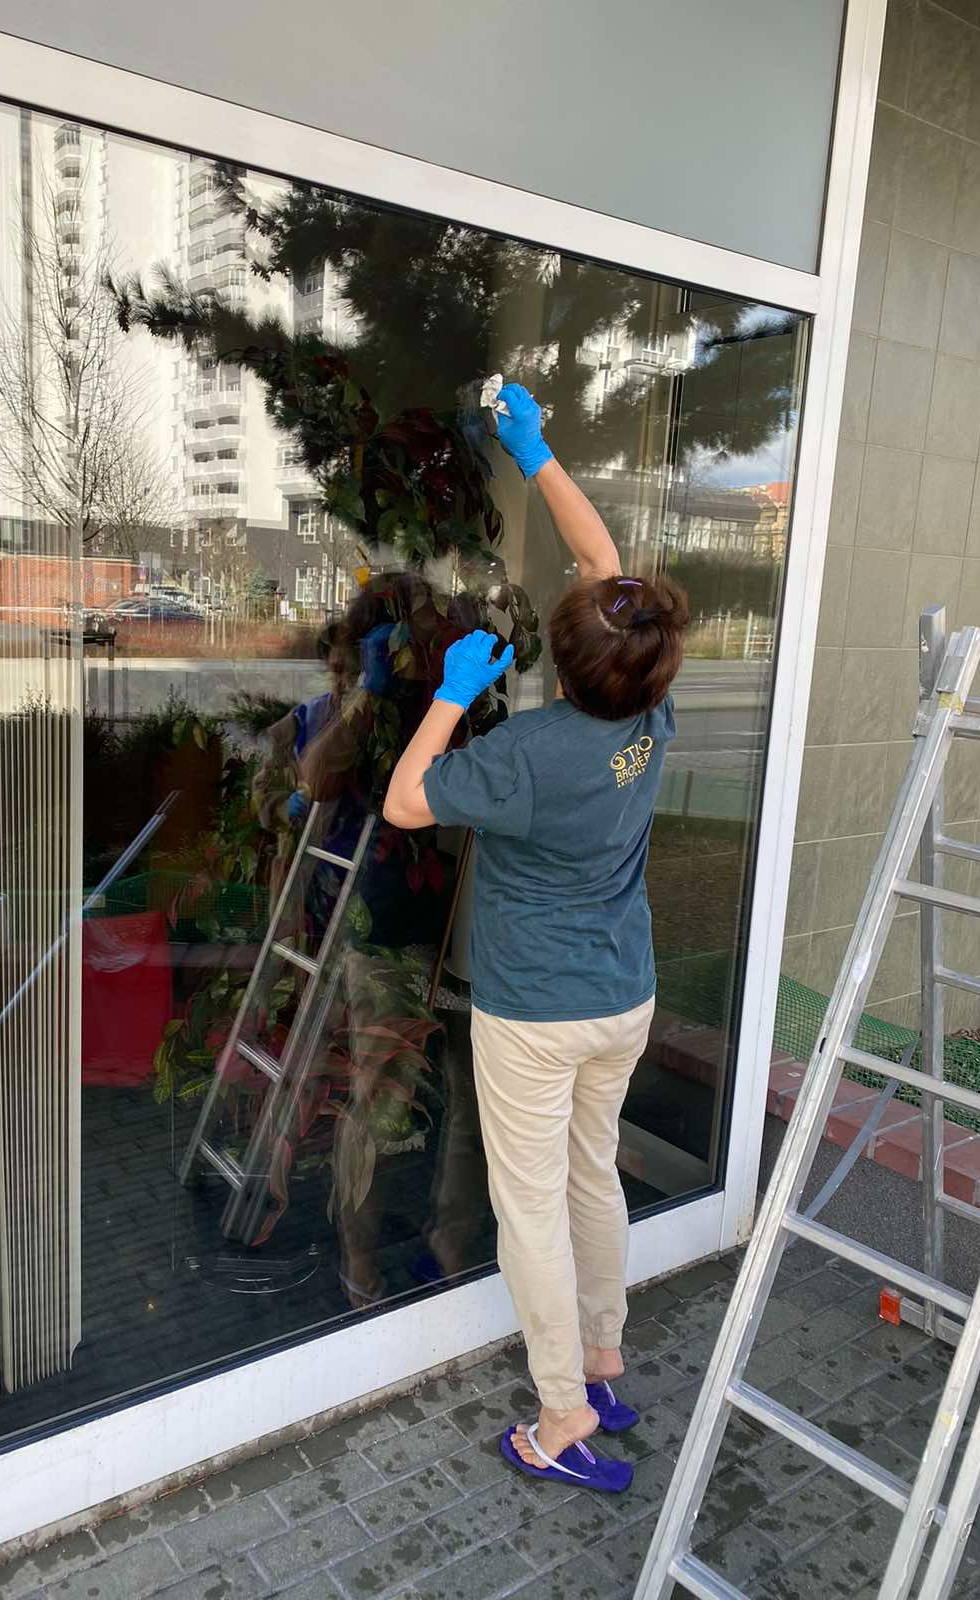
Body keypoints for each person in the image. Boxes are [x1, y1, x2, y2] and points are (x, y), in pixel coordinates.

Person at [382, 383, 689, 1492]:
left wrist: (450, 696)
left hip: (536, 1011)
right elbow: (607, 563)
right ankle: (604, 1362)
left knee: (533, 1214)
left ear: (560, 667)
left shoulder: (530, 752)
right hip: (623, 996)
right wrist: (540, 454)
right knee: (591, 1176)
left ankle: (562, 1416)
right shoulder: (650, 703)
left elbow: (408, 802)